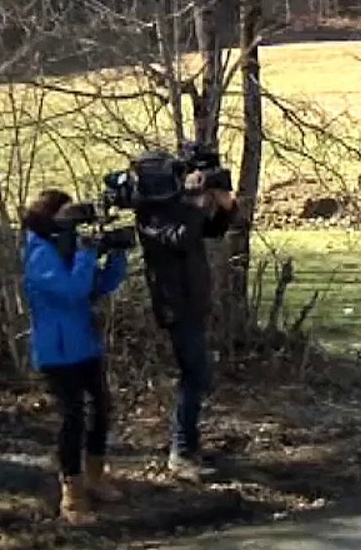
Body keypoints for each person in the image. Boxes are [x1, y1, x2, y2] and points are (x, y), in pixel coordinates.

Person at [129, 149, 240, 482]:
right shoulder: (150, 214)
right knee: (196, 374)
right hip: (174, 304)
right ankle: (180, 451)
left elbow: (211, 231)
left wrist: (223, 206)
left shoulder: (175, 208)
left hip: (191, 301)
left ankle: (188, 447)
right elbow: (180, 238)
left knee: (198, 375)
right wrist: (193, 203)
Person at [20, 188, 130, 524]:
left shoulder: (65, 250)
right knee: (73, 419)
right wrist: (85, 254)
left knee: (101, 409)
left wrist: (116, 254)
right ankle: (72, 493)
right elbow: (71, 292)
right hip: (56, 351)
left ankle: (95, 475)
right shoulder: (39, 254)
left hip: (84, 345)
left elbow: (97, 286)